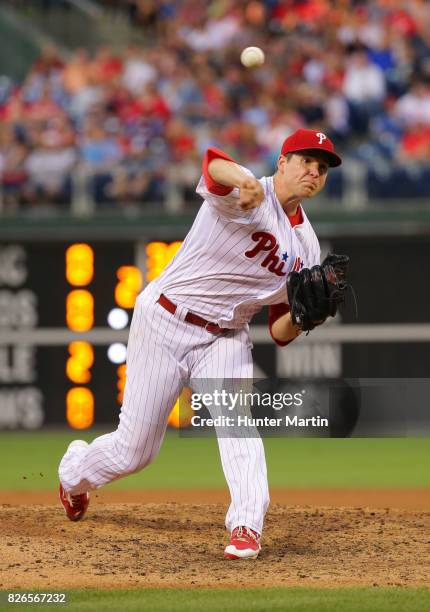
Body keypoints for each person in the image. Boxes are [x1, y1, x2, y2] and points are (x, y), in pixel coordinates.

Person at [59, 128, 342, 560]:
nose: (313, 171)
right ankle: (74, 475)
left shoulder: (307, 246)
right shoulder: (245, 191)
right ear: (282, 162)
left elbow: (279, 331)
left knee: (238, 427)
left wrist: (305, 317)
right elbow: (212, 165)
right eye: (305, 160)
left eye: (321, 167)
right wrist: (244, 181)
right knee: (134, 452)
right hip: (165, 320)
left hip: (225, 336)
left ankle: (247, 525)